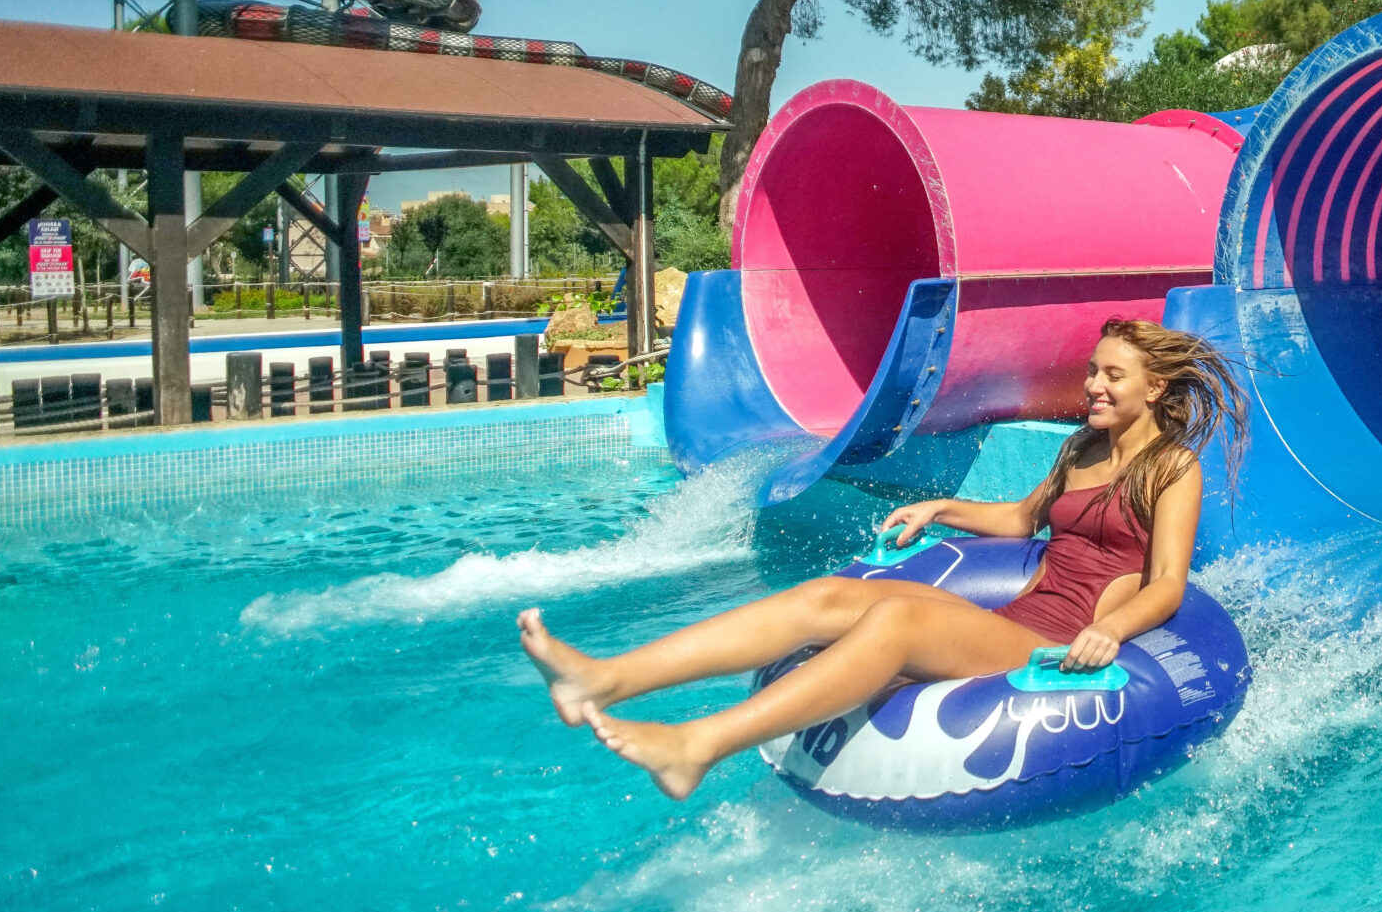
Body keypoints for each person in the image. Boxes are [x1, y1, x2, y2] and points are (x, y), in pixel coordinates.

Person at [517, 318, 1245, 800]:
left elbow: (1167, 584)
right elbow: (1024, 520)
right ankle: (605, 678)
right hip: (1022, 616)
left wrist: (1110, 633)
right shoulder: (1079, 448)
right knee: (827, 599)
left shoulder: (1171, 469)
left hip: (1057, 645)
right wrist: (941, 509)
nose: (1093, 385)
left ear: (1154, 387)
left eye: (1113, 375)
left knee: (895, 620)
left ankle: (700, 744)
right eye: (1092, 370)